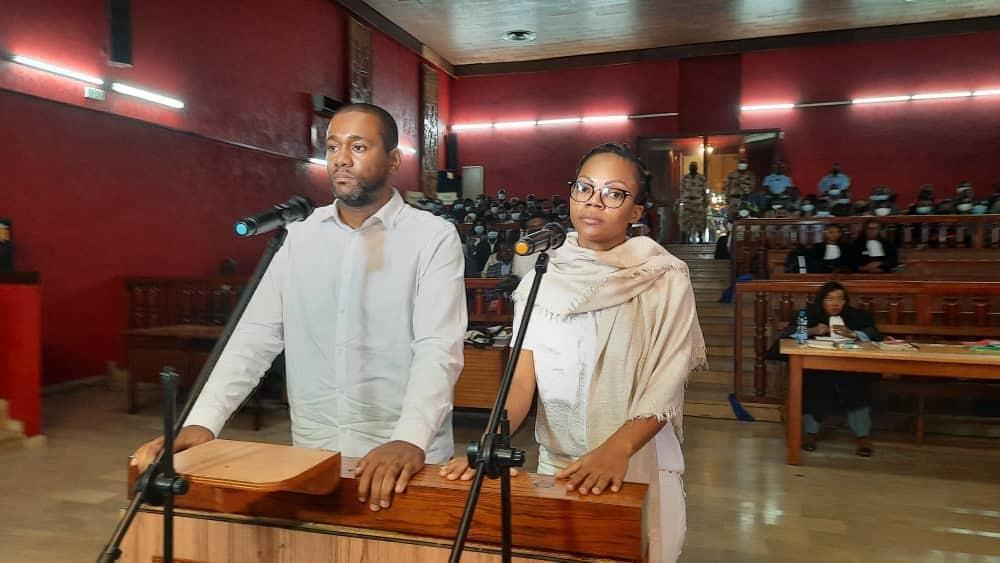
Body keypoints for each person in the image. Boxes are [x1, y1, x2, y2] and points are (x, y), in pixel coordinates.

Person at [130, 103, 468, 513]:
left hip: (402, 453)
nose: (341, 159)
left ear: (394, 160)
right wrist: (204, 420)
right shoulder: (298, 236)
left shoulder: (431, 237)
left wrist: (410, 438)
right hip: (314, 446)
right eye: (333, 147)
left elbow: (438, 348)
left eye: (359, 146)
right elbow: (255, 336)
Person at [441, 143, 706, 562]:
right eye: (584, 187)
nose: (594, 201)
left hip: (634, 459)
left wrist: (617, 450)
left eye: (614, 193)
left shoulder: (664, 277)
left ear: (636, 211)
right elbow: (521, 381)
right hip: (559, 463)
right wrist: (491, 442)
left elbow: (667, 380)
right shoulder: (542, 274)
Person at [780, 282, 882, 456]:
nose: (835, 303)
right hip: (817, 367)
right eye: (829, 299)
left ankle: (862, 436)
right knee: (814, 384)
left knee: (858, 385)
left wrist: (852, 333)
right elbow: (787, 333)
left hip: (850, 366)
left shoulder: (856, 315)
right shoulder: (808, 314)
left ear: (845, 301)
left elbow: (874, 333)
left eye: (840, 299)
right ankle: (810, 434)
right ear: (821, 300)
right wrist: (812, 330)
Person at [678, 162, 708, 243]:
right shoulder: (685, 178)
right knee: (685, 220)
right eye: (691, 166)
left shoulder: (701, 178)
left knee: (699, 220)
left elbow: (704, 191)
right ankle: (684, 238)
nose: (692, 168)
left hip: (697, 201)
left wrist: (705, 201)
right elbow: (681, 190)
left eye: (694, 166)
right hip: (687, 201)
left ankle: (700, 237)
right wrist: (681, 200)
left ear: (697, 167)